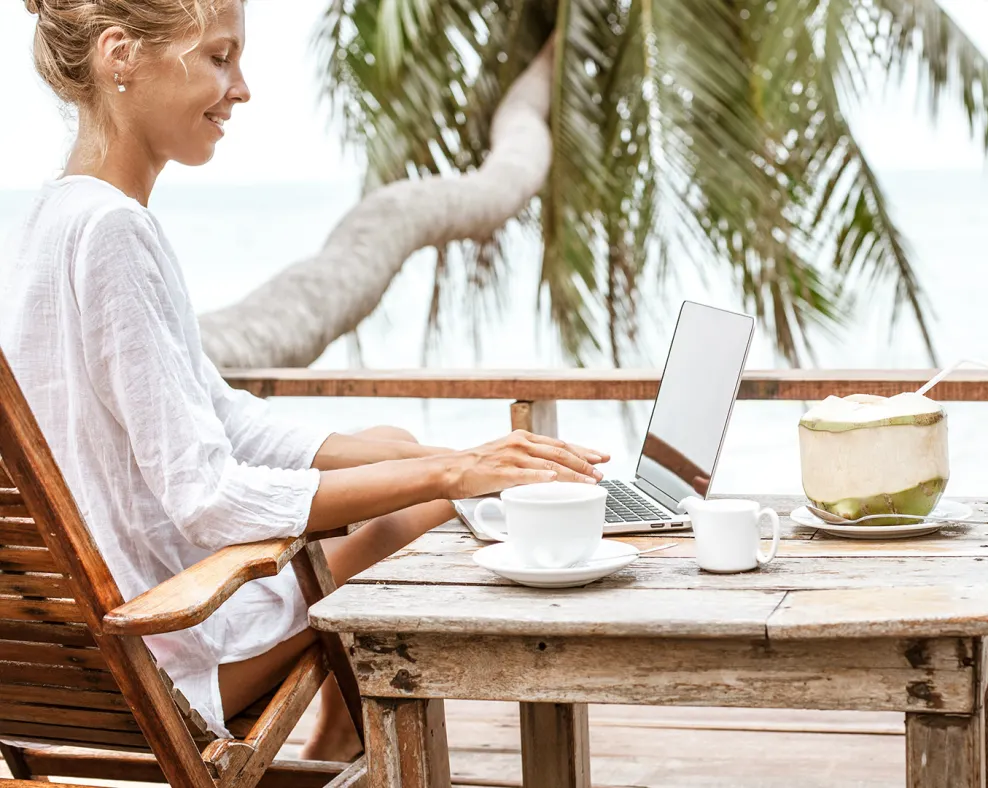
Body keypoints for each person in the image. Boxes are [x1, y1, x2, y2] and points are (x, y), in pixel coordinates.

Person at [0, 0, 608, 761]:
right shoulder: (114, 232)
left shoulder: (52, 217)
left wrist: (433, 455)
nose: (243, 88)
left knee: (396, 445)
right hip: (167, 656)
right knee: (431, 505)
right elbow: (206, 494)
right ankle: (347, 747)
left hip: (70, 661)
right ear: (120, 55)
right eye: (220, 58)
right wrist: (451, 473)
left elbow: (221, 417)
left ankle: (338, 740)